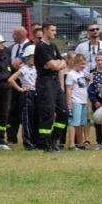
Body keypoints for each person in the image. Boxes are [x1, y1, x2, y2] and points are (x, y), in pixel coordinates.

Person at [35, 20, 68, 153]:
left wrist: (55, 63)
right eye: (53, 30)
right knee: (48, 113)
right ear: (45, 30)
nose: (55, 32)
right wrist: (55, 64)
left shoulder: (53, 47)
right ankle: (45, 143)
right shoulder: (41, 47)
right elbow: (55, 65)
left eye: (55, 30)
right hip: (45, 82)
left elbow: (63, 63)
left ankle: (55, 139)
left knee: (64, 112)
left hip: (55, 82)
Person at [8, 44, 38, 150]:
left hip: (36, 93)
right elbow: (11, 79)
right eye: (33, 56)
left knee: (35, 118)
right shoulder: (24, 69)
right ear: (27, 57)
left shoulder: (36, 68)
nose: (35, 59)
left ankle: (35, 141)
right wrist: (20, 89)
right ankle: (28, 142)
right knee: (27, 119)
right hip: (27, 94)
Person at [6, 26, 31, 144]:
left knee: (26, 111)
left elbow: (17, 64)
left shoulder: (30, 47)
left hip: (27, 83)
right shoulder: (13, 47)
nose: (12, 36)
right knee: (13, 110)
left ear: (20, 35)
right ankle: (12, 137)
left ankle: (28, 137)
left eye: (14, 34)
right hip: (14, 83)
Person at [65, 53, 88, 150]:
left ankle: (80, 143)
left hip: (83, 101)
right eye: (82, 64)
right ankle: (71, 144)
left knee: (81, 124)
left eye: (84, 64)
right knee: (74, 123)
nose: (84, 66)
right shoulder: (71, 74)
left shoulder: (81, 73)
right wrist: (69, 103)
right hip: (76, 101)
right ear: (76, 63)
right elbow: (69, 89)